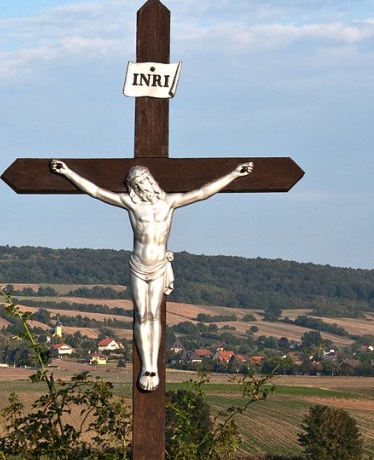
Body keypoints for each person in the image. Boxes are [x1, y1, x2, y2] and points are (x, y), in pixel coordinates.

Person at [49, 159, 253, 391]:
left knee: (154, 314)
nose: (141, 187)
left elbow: (203, 193)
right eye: (136, 184)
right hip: (138, 264)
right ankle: (146, 365)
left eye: (143, 181)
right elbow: (96, 191)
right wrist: (67, 172)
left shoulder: (169, 202)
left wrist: (234, 174)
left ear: (151, 181)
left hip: (158, 266)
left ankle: (152, 366)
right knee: (142, 314)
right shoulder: (132, 204)